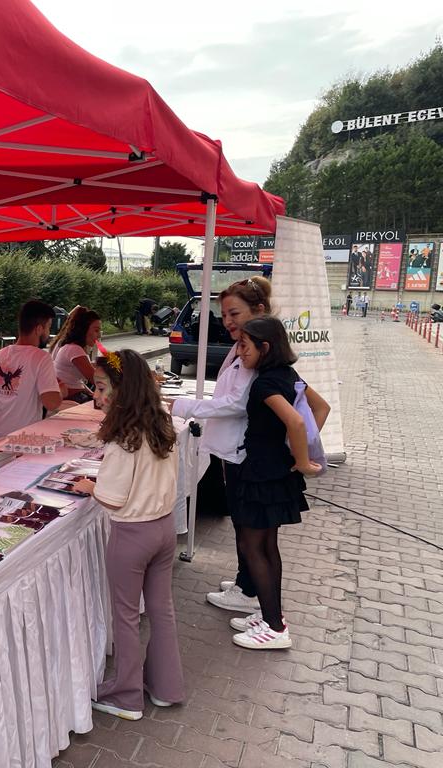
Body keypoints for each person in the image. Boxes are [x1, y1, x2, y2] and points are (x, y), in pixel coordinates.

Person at [72, 349, 184, 720]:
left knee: (126, 616)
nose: (97, 396)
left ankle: (126, 695)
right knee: (161, 609)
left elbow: (113, 498)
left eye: (102, 388)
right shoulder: (162, 420)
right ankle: (166, 686)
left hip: (133, 535)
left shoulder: (125, 439)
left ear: (124, 389)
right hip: (164, 529)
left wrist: (91, 487)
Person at [169, 276, 272, 615]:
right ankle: (246, 583)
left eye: (234, 313)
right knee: (243, 524)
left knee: (250, 528)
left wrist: (184, 406)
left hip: (245, 452)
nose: (227, 321)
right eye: (224, 314)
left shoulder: (256, 350)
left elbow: (237, 403)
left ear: (258, 310)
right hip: (234, 450)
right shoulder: (241, 345)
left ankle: (252, 594)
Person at [229, 316, 329, 650]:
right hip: (274, 472)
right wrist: (293, 452)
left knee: (253, 547)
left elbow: (297, 421)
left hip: (262, 474)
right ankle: (271, 614)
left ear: (265, 347)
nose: (240, 352)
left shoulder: (264, 384)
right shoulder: (288, 374)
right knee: (266, 547)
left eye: (245, 345)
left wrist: (302, 460)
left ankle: (275, 628)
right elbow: (321, 408)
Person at [0, 300, 63, 442]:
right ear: (39, 329)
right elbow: (52, 403)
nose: (48, 333)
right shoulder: (41, 358)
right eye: (48, 327)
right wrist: (62, 391)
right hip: (22, 438)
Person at [48, 306, 102, 403]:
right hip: (74, 399)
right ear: (84, 330)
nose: (99, 335)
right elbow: (96, 379)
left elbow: (77, 380)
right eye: (96, 330)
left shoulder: (70, 346)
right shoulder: (74, 349)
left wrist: (90, 393)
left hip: (76, 396)